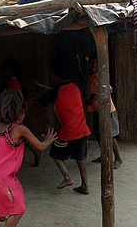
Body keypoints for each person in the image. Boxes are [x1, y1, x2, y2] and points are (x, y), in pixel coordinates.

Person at [0, 90, 56, 227]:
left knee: (1, 193)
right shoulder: (19, 129)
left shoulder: (0, 126)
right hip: (1, 175)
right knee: (18, 207)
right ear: (21, 112)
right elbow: (40, 147)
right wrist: (48, 140)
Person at [29, 58, 92, 195]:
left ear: (55, 77)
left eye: (51, 74)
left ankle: (67, 177)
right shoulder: (75, 86)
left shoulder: (54, 92)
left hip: (68, 133)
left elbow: (36, 103)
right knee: (81, 158)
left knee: (56, 154)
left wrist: (32, 101)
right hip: (83, 130)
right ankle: (85, 186)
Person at [0, 57, 41, 167]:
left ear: (13, 71)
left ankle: (35, 149)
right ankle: (35, 150)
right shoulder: (12, 82)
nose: (4, 72)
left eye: (7, 70)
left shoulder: (12, 84)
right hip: (13, 112)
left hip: (12, 112)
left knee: (13, 134)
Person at [85, 52, 123, 169]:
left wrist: (94, 97)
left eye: (96, 63)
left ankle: (118, 158)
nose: (93, 65)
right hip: (98, 111)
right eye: (91, 63)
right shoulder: (92, 77)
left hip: (107, 111)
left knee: (110, 136)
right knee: (99, 135)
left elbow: (108, 90)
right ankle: (104, 155)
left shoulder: (100, 76)